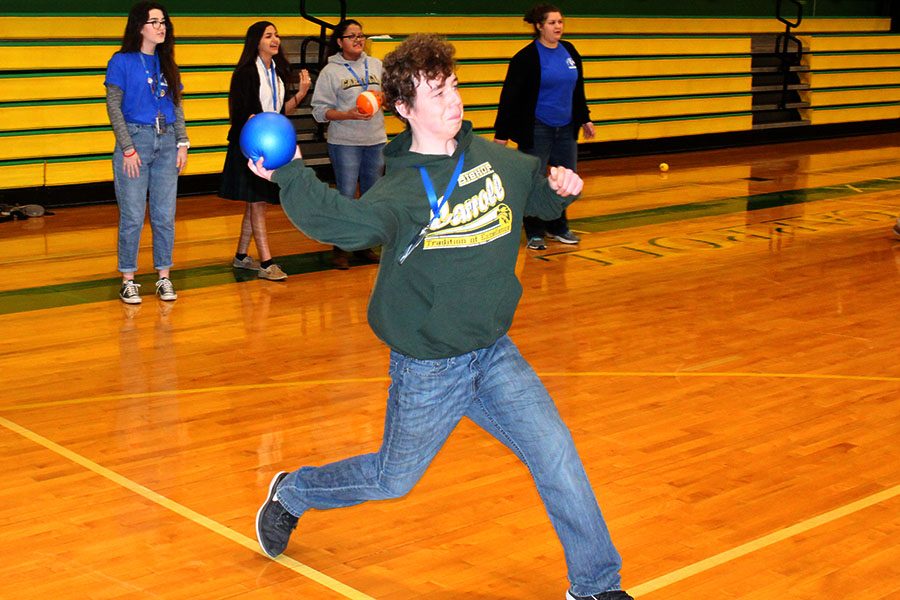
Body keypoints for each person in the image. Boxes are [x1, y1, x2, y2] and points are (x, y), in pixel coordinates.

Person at [251, 34, 632, 600]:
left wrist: (562, 189)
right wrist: (291, 175)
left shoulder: (498, 160)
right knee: (391, 479)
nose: (452, 99)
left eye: (452, 84)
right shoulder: (400, 190)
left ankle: (596, 585)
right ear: (404, 108)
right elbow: (344, 225)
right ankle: (292, 492)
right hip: (430, 365)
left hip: (494, 353)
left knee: (557, 454)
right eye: (435, 91)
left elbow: (540, 201)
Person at [105, 1, 189, 304]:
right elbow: (114, 106)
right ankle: (128, 278)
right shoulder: (122, 61)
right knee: (132, 215)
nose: (161, 26)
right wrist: (127, 148)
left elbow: (176, 105)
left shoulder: (167, 62)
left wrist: (182, 143)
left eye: (163, 21)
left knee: (165, 215)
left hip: (166, 142)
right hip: (136, 141)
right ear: (139, 26)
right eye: (154, 22)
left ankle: (164, 277)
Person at [493, 3, 595, 251]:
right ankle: (535, 231)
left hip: (566, 129)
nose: (558, 26)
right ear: (539, 26)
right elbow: (510, 98)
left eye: (560, 22)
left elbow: (577, 90)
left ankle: (558, 226)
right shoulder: (525, 58)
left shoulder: (569, 51)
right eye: (552, 22)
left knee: (565, 180)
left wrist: (585, 118)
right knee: (534, 180)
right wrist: (501, 135)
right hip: (538, 129)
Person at [219, 21, 311, 281]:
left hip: (271, 146)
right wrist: (254, 127)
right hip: (251, 148)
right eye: (268, 35)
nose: (275, 39)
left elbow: (281, 113)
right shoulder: (246, 73)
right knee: (258, 202)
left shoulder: (279, 72)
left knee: (255, 202)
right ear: (256, 41)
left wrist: (301, 94)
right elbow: (239, 114)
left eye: (277, 35)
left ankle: (241, 257)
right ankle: (266, 263)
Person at [311, 18, 385, 269]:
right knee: (345, 195)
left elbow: (390, 95)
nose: (358, 40)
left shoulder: (376, 65)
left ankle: (364, 245)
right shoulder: (330, 72)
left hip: (375, 140)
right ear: (340, 41)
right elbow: (320, 112)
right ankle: (340, 247)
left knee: (371, 196)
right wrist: (348, 114)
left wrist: (383, 100)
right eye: (352, 36)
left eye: (361, 35)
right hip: (345, 142)